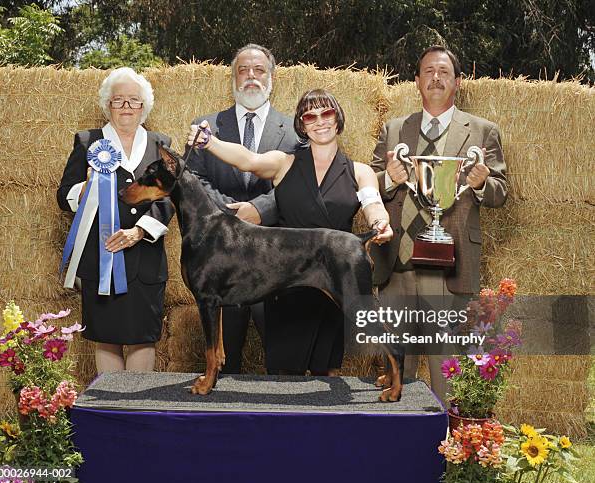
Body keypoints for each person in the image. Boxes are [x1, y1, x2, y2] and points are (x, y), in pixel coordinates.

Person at [188, 89, 393, 376]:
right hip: (286, 284)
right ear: (302, 124)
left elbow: (374, 206)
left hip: (334, 279)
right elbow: (246, 160)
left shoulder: (360, 172)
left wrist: (380, 223)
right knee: (284, 376)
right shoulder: (284, 163)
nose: (320, 121)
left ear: (338, 118)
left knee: (327, 378)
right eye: (311, 115)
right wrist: (211, 142)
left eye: (327, 113)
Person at [369, 45, 507, 403]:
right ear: (416, 81)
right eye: (428, 71)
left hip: (450, 265)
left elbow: (500, 191)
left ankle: (445, 448)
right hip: (397, 266)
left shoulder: (483, 131)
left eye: (444, 72)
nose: (436, 78)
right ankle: (396, 447)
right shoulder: (395, 128)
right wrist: (389, 179)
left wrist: (479, 183)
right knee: (397, 364)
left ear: (457, 82)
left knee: (445, 366)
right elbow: (370, 185)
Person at [185, 43, 302, 374]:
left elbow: (300, 187)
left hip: (275, 262)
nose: (251, 77)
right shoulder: (206, 126)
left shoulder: (295, 130)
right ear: (233, 78)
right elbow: (191, 179)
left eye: (259, 70)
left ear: (272, 78)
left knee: (285, 364)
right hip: (222, 263)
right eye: (243, 70)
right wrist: (226, 212)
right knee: (225, 364)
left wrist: (260, 209)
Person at [57, 67, 174, 373]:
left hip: (145, 257)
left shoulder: (161, 144)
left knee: (142, 338)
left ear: (144, 106)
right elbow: (63, 196)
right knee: (106, 337)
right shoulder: (87, 142)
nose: (126, 107)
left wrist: (139, 231)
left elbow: (170, 198)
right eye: (118, 100)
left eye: (133, 101)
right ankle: (111, 412)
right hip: (101, 257)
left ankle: (137, 409)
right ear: (107, 105)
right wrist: (84, 189)